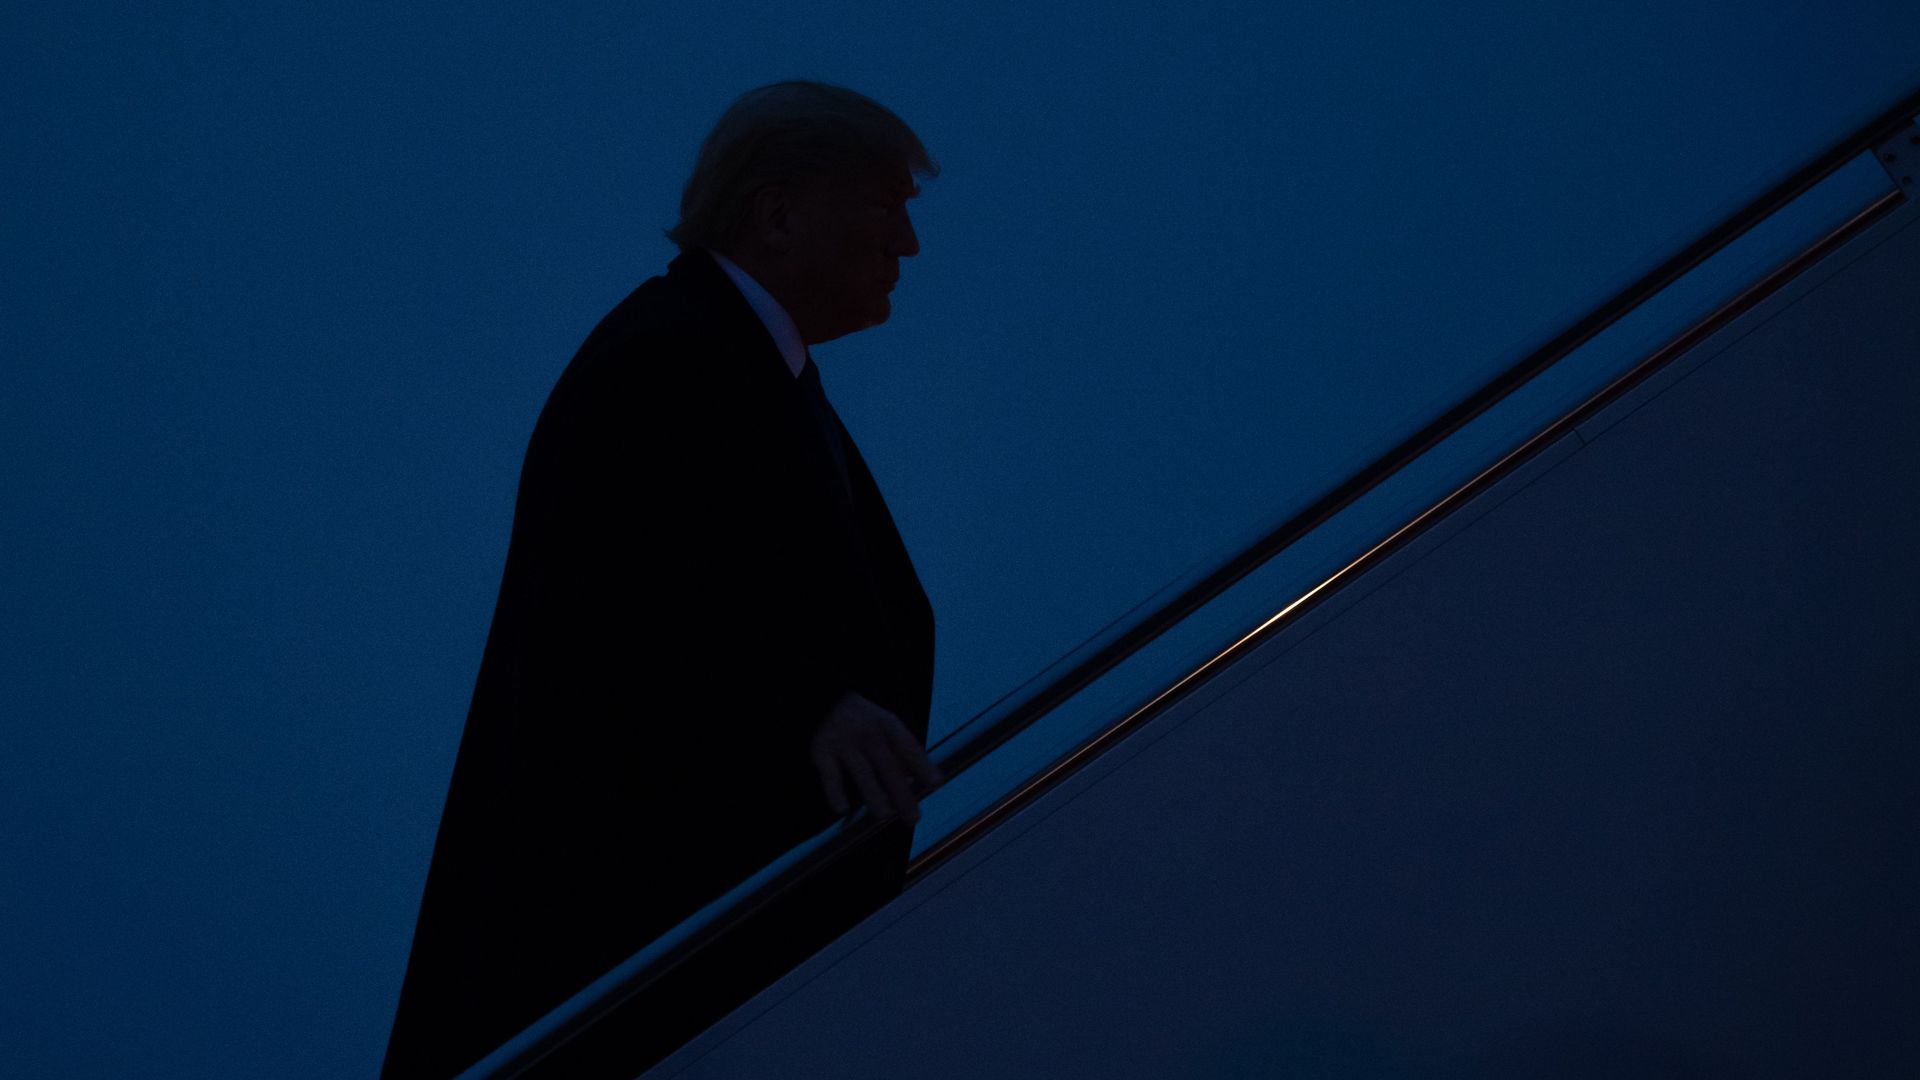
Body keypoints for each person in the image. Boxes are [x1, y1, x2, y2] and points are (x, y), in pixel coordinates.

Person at [380, 80, 943, 1078]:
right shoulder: (667, 358)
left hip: (710, 961)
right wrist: (809, 699)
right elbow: (627, 601)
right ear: (778, 211)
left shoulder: (736, 364)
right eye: (884, 204)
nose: (906, 242)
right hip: (646, 962)